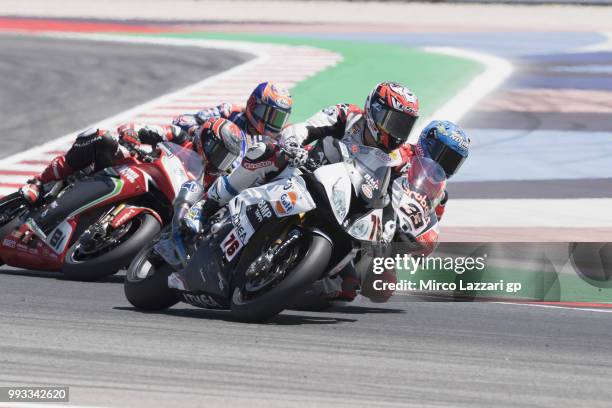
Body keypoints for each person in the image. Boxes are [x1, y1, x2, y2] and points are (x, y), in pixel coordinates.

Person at [167, 82, 470, 302]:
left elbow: (396, 200)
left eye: (405, 125)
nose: (398, 131)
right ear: (374, 111)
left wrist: (404, 237)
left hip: (343, 207)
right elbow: (305, 128)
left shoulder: (400, 159)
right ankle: (205, 207)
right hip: (304, 170)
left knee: (353, 288)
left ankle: (285, 280)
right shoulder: (347, 115)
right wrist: (294, 143)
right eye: (394, 121)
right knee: (266, 151)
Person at [19, 81, 293, 204]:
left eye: (279, 118)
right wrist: (156, 132)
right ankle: (41, 182)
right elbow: (187, 120)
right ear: (254, 106)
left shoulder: (274, 141)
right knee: (103, 138)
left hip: (202, 186)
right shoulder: (229, 111)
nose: (273, 123)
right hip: (176, 158)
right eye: (270, 114)